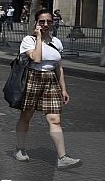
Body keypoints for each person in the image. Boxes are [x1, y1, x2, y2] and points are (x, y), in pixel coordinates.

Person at [13, 11, 80, 169]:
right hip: (33, 78)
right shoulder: (28, 40)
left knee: (55, 120)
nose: (45, 24)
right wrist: (38, 38)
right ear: (36, 22)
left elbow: (59, 67)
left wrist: (63, 88)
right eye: (41, 21)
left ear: (52, 23)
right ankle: (20, 149)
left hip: (51, 81)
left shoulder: (56, 42)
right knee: (26, 116)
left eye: (48, 21)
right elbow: (36, 58)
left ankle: (62, 157)